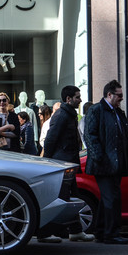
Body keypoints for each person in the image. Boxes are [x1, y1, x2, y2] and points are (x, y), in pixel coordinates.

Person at [83, 80, 128, 245]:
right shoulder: (97, 110)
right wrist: (100, 158)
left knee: (109, 198)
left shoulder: (118, 112)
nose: (121, 98)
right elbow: (90, 136)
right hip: (105, 164)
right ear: (109, 94)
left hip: (116, 164)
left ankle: (102, 231)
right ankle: (111, 234)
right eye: (119, 95)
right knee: (111, 198)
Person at [42, 85, 95, 243]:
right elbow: (50, 139)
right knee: (61, 198)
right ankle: (46, 233)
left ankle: (75, 230)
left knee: (71, 197)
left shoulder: (68, 114)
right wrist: (49, 162)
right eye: (77, 97)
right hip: (62, 164)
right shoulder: (62, 115)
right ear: (68, 99)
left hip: (66, 164)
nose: (80, 100)